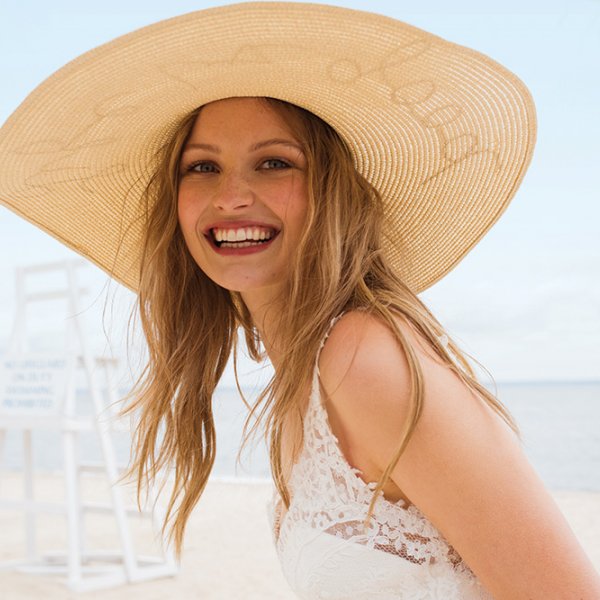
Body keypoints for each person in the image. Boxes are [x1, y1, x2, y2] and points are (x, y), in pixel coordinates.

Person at [1, 3, 599, 598]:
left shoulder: (361, 354)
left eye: (274, 163)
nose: (232, 195)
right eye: (202, 166)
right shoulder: (306, 371)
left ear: (329, 191)